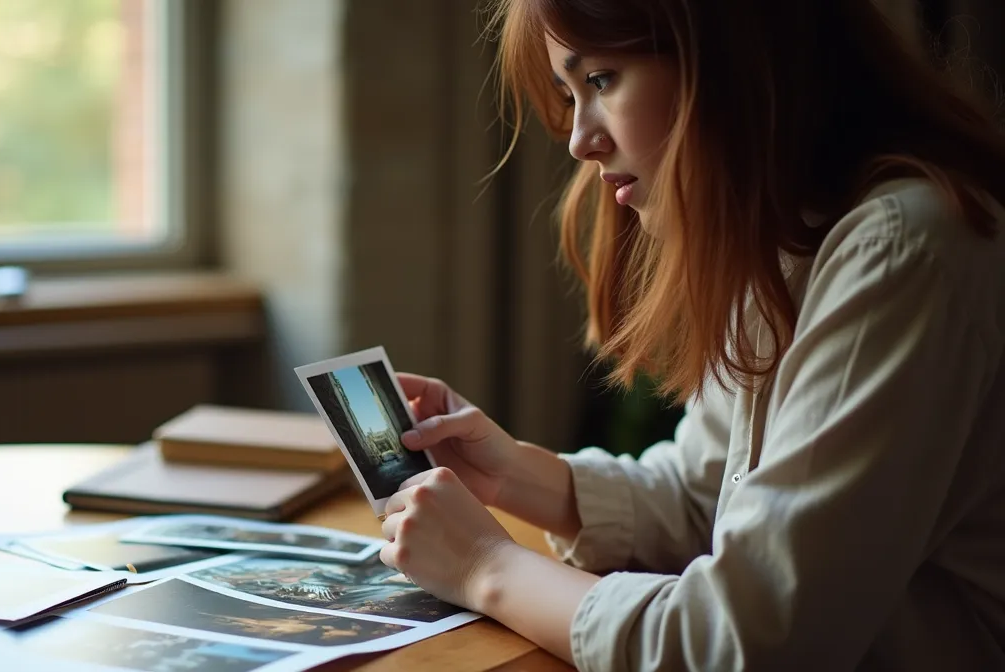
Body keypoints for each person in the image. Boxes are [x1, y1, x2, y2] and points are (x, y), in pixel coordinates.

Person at [374, 0, 1005, 669]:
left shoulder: (903, 251)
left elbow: (748, 642)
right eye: (569, 91)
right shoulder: (790, 231)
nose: (579, 139)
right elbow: (713, 496)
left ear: (730, 60)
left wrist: (485, 567)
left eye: (601, 79)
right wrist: (514, 476)